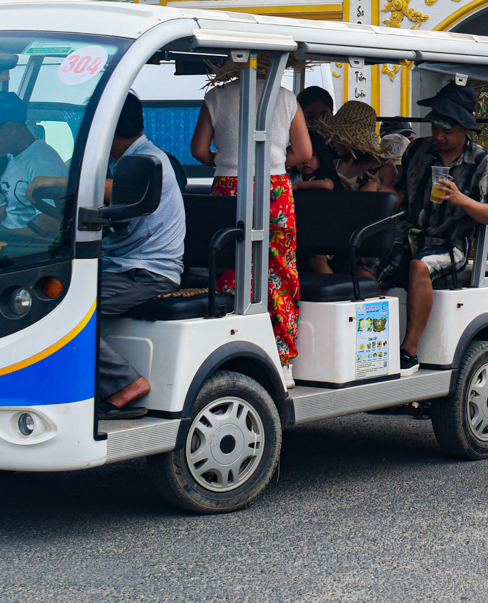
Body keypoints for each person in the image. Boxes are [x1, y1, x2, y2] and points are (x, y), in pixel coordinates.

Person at [190, 59, 315, 379]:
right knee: (281, 270)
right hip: (275, 190)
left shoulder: (217, 97)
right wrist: (273, 162)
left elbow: (198, 150)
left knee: (231, 266)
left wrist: (228, 159)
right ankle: (283, 359)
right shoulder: (287, 98)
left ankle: (233, 346)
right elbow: (303, 152)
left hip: (230, 187)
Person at [390, 83, 488, 372]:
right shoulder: (417, 149)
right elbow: (400, 194)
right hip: (408, 232)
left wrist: (460, 198)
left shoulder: (482, 161)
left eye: (447, 130)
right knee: (364, 264)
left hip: (451, 242)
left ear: (465, 129)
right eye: (435, 128)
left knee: (420, 266)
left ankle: (409, 349)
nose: (439, 136)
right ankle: (377, 344)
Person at [98, 94, 187, 418]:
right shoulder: (128, 160)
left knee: (69, 312)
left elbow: (111, 190)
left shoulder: (148, 162)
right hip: (122, 263)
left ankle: (125, 382)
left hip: (147, 269)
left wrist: (56, 181)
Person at [0, 92, 68, 234]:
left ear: (10, 128)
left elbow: (49, 225)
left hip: (23, 249)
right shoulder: (11, 157)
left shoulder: (42, 164)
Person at [293, 87, 340, 193]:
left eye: (324, 116)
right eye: (309, 116)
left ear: (332, 114)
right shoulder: (293, 145)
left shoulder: (340, 148)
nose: (317, 121)